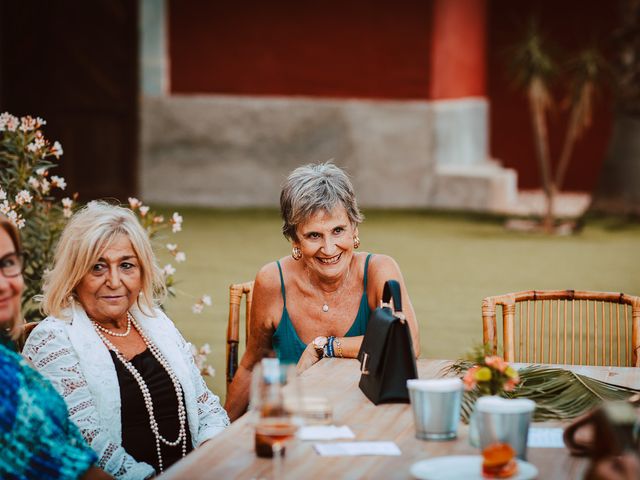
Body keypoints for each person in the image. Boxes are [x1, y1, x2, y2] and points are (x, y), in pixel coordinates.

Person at [23, 202, 229, 478]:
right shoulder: (55, 338)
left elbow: (205, 407)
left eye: (127, 265)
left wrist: (209, 457)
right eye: (97, 267)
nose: (114, 281)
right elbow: (86, 442)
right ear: (74, 276)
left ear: (142, 271)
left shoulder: (155, 322)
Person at [225, 162, 420, 421]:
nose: (329, 249)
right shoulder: (272, 281)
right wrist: (221, 433)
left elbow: (406, 343)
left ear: (354, 228)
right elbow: (252, 365)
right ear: (295, 240)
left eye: (338, 230)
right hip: (292, 420)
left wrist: (325, 347)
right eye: (314, 235)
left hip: (366, 418)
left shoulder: (379, 271)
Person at [0, 214, 111, 479]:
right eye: (97, 267)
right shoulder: (6, 380)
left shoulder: (10, 361)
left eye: (7, 263)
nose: (4, 284)